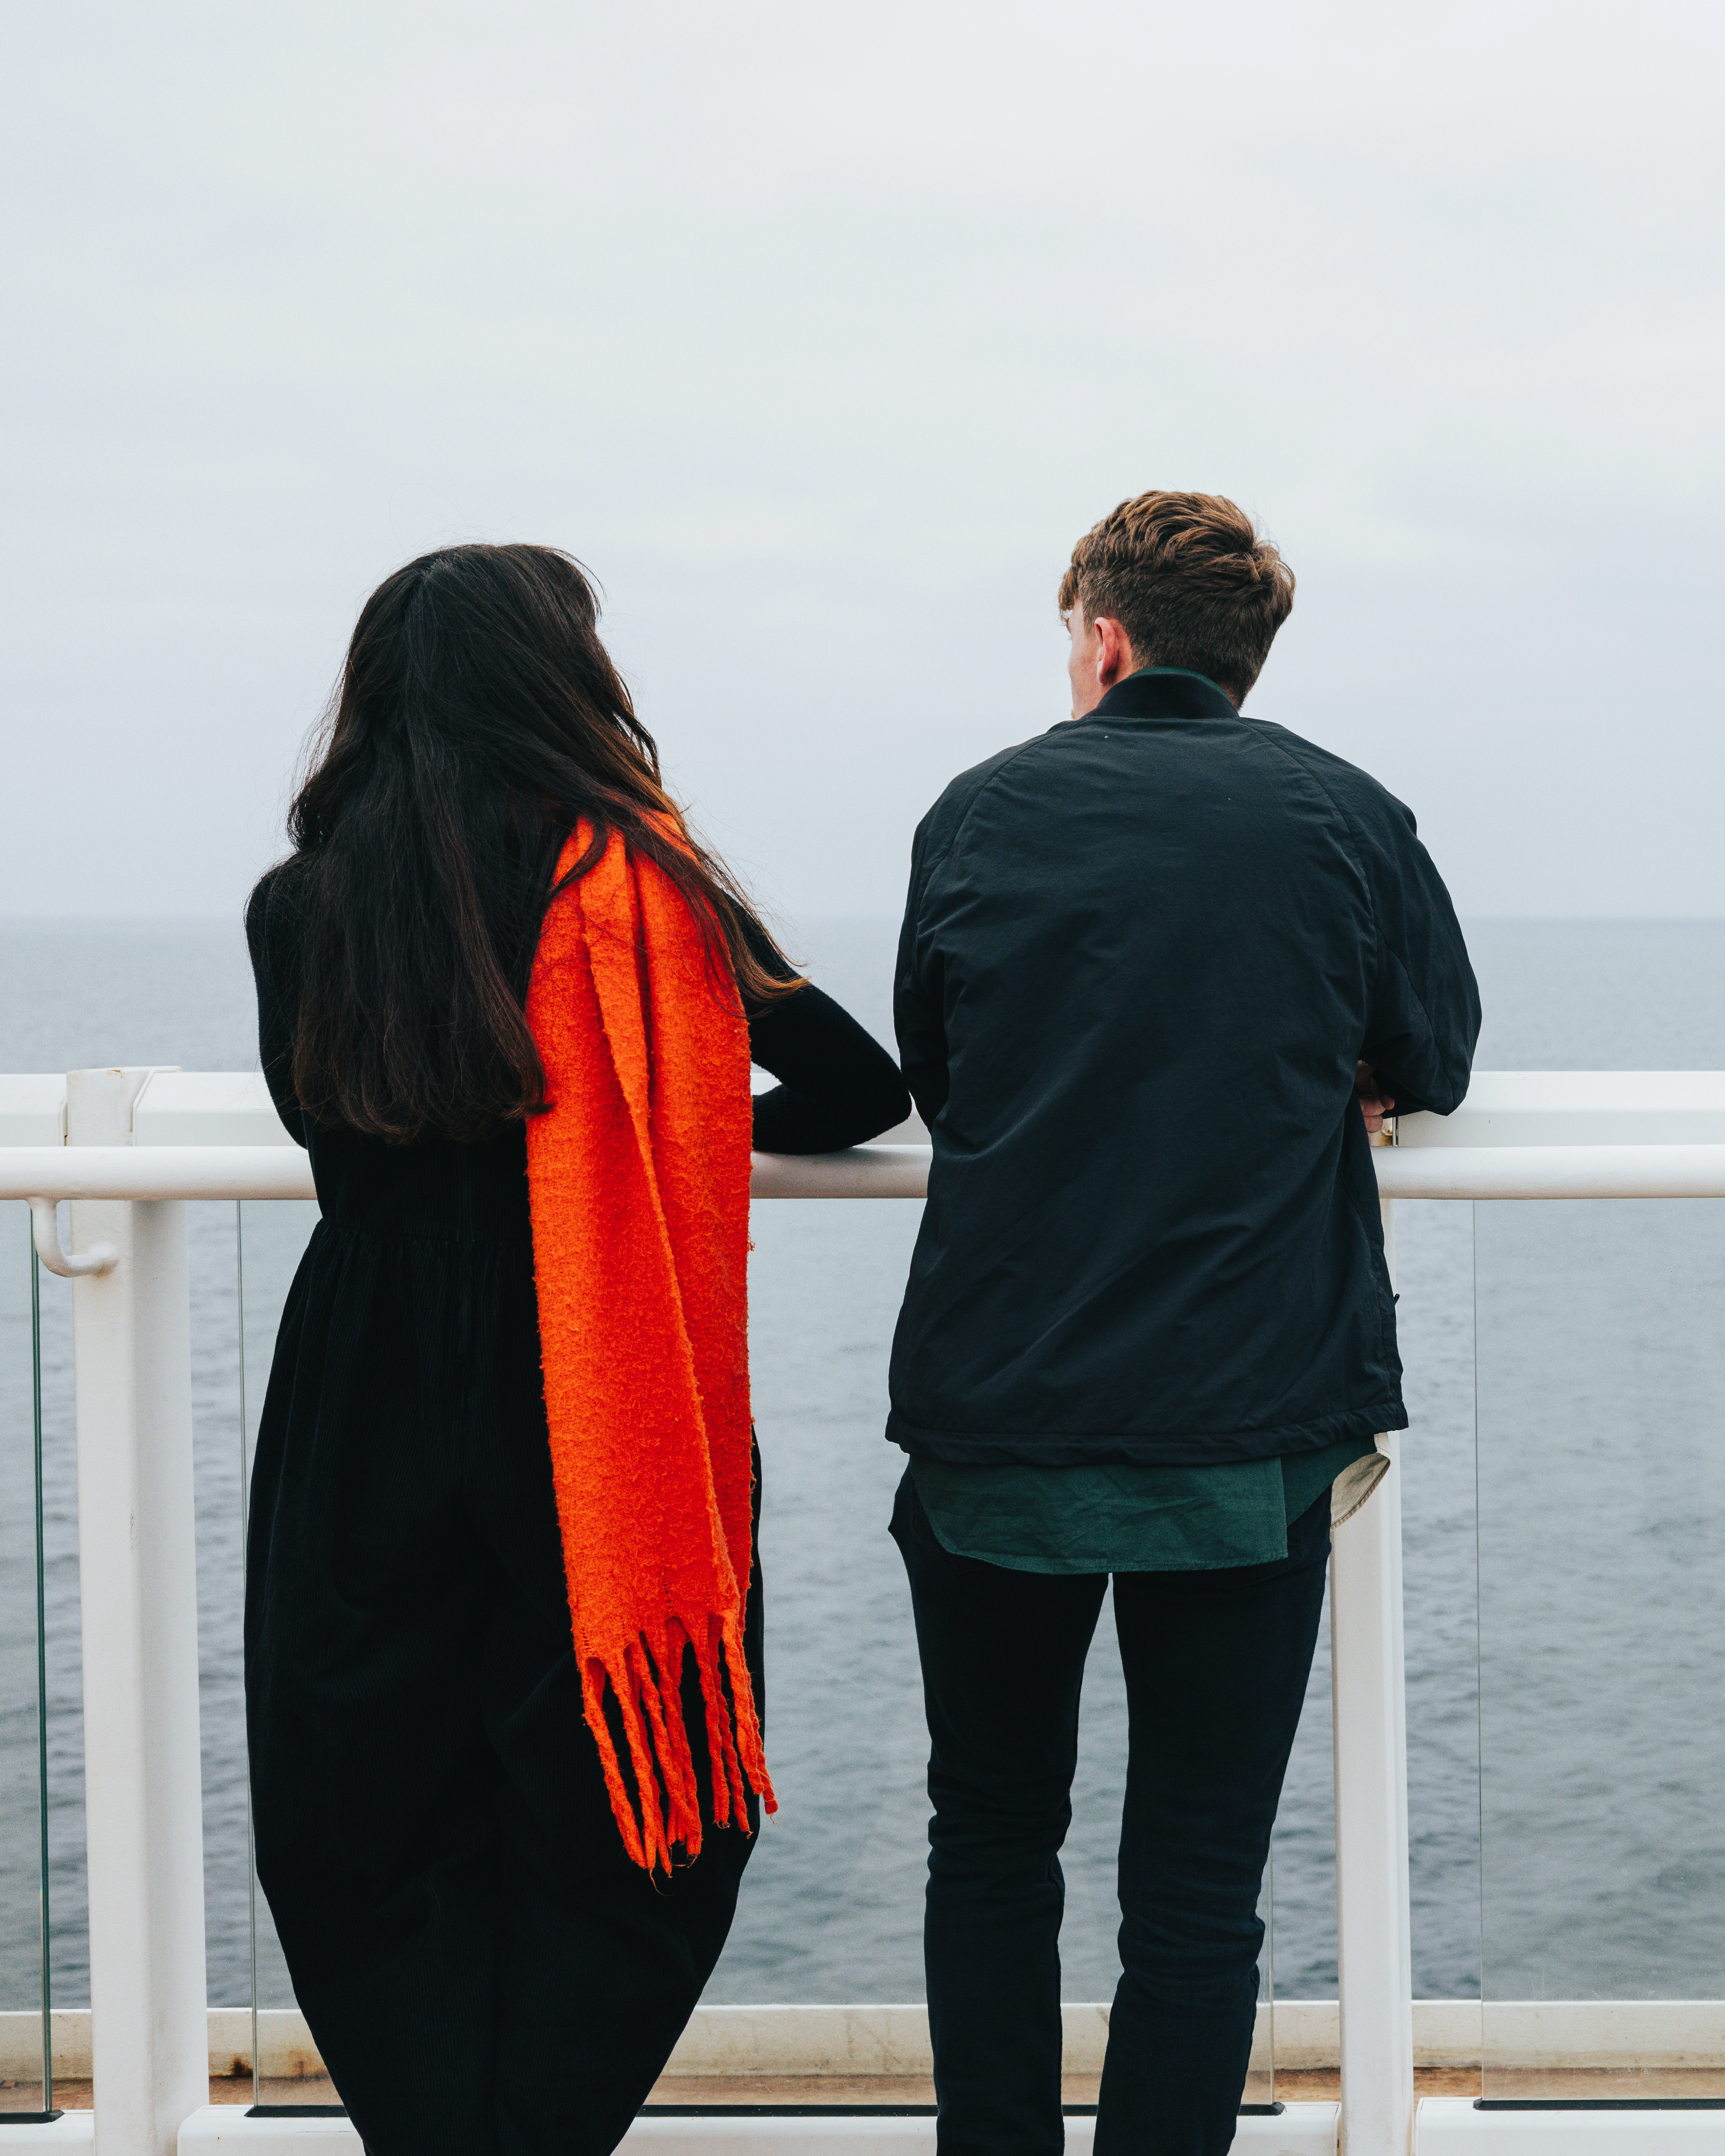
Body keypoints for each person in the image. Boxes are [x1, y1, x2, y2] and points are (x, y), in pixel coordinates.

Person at [244, 542, 910, 2156]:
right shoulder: (647, 887)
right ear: (566, 681)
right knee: (629, 1784)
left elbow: (325, 1133)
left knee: (359, 1772)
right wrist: (659, 1123)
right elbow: (863, 1088)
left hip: (369, 1364)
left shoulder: (302, 903)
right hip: (597, 1364)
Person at [886, 491, 1480, 2156]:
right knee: (1197, 1879)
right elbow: (1430, 1055)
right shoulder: (1343, 814)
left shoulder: (978, 813)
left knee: (992, 1842)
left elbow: (940, 1073)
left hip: (1000, 1407)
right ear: (1243, 656)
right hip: (1246, 1423)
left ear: (1099, 637)